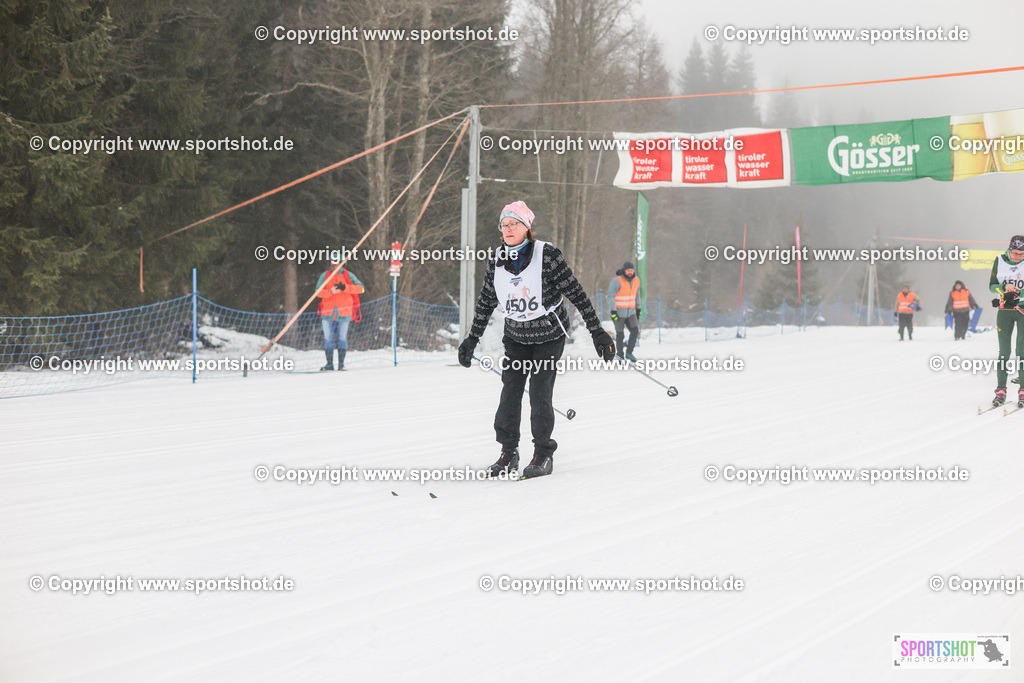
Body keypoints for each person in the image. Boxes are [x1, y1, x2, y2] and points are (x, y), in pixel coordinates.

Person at [457, 200, 615, 479]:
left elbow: (576, 294)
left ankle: (543, 453)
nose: (507, 229)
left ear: (526, 227)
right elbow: (486, 302)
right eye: (503, 225)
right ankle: (508, 451)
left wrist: (597, 331)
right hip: (516, 338)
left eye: (513, 224)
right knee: (510, 392)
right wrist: (472, 339)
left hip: (548, 337)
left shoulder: (547, 255)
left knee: (540, 393)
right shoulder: (497, 259)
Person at [989, 235, 1024, 406]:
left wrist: (1018, 294)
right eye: (1015, 253)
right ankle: (1001, 391)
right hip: (1004, 310)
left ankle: (1023, 391)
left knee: (1022, 352)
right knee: (1004, 353)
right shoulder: (999, 260)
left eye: (1021, 254)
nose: (1017, 257)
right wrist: (1004, 288)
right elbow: (991, 285)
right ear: (1009, 249)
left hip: (1022, 310)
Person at [315, 259, 364, 371]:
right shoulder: (325, 275)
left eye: (337, 261)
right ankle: (329, 364)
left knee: (342, 338)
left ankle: (341, 364)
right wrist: (330, 292)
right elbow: (317, 292)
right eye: (333, 261)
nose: (334, 264)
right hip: (327, 313)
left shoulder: (348, 275)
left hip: (344, 313)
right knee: (328, 338)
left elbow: (361, 289)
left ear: (342, 262)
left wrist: (345, 288)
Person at [608, 261, 642, 361]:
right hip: (618, 313)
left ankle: (629, 352)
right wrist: (613, 311)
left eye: (632, 270)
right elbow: (610, 297)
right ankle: (620, 355)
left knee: (635, 331)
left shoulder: (636, 280)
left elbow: (637, 295)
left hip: (631, 312)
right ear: (624, 270)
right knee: (620, 334)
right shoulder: (616, 281)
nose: (630, 272)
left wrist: (638, 308)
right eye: (628, 270)